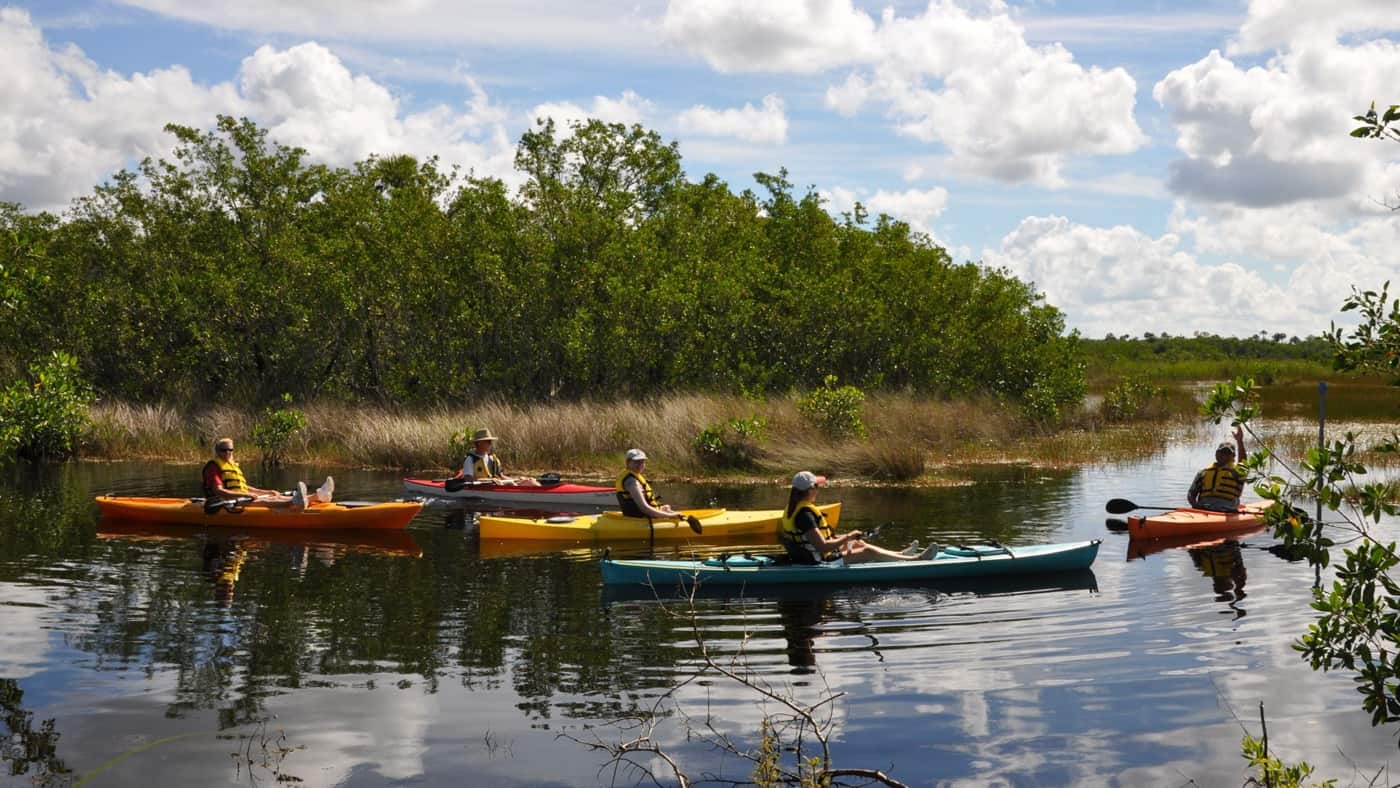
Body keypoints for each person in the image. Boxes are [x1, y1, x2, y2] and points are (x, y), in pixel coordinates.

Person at [779, 471, 935, 564]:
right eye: (817, 487)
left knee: (858, 542)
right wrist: (847, 536)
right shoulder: (805, 515)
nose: (819, 490)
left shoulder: (794, 507)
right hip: (819, 561)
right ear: (810, 490)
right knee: (867, 551)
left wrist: (849, 538)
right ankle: (915, 561)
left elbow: (819, 541)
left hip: (813, 555)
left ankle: (901, 555)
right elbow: (822, 546)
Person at [202, 438, 333, 508]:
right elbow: (219, 491)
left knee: (275, 496)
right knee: (271, 501)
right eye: (224, 450)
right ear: (218, 451)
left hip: (242, 497)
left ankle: (319, 496)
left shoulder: (232, 465)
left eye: (230, 450)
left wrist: (266, 492)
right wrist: (247, 495)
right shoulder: (213, 467)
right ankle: (295, 502)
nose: (228, 453)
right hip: (227, 501)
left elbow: (244, 487)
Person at [615, 449, 686, 522]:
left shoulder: (632, 477)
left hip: (640, 517)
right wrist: (670, 515)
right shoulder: (632, 482)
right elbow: (644, 508)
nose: (640, 465)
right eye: (636, 462)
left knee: (666, 507)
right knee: (669, 512)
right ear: (628, 462)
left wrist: (661, 509)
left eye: (642, 462)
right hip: (640, 520)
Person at [1187, 425, 1247, 512]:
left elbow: (1243, 464)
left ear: (1233, 456)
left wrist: (1240, 441)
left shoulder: (1236, 473)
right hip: (1203, 510)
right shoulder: (1203, 472)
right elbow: (1191, 494)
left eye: (1227, 453)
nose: (1223, 454)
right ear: (1216, 454)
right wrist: (1195, 505)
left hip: (1227, 511)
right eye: (1221, 452)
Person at [456, 428, 539, 487]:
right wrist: (490, 481)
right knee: (512, 484)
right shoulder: (470, 460)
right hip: (484, 486)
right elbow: (468, 479)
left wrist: (518, 479)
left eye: (490, 441)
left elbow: (501, 476)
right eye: (488, 441)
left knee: (531, 481)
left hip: (496, 484)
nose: (490, 444)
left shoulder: (492, 458)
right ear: (479, 443)